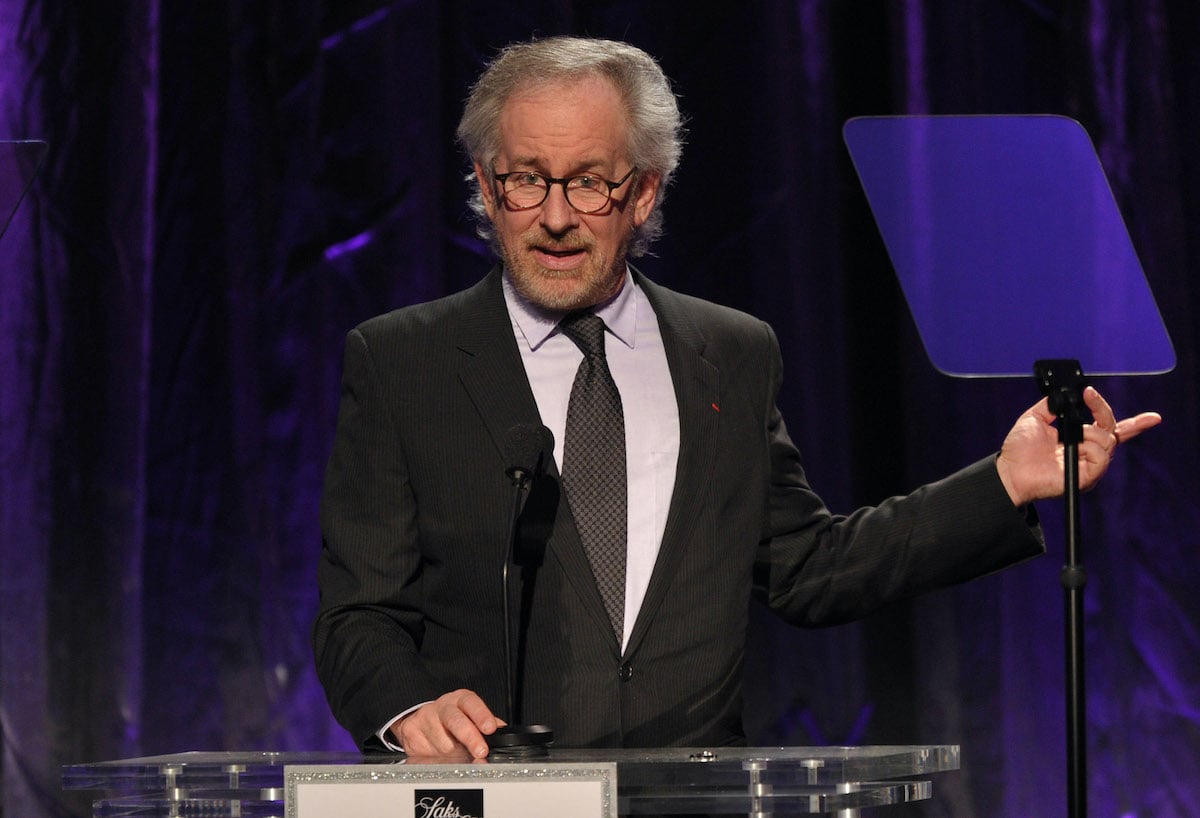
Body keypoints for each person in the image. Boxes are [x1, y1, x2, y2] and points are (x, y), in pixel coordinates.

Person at [312, 35, 1160, 759]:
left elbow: (809, 569)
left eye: (590, 182)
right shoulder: (402, 362)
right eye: (527, 179)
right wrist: (407, 708)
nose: (556, 215)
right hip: (496, 796)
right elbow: (358, 616)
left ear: (643, 191)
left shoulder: (731, 353)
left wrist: (1005, 483)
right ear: (488, 189)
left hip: (694, 800)